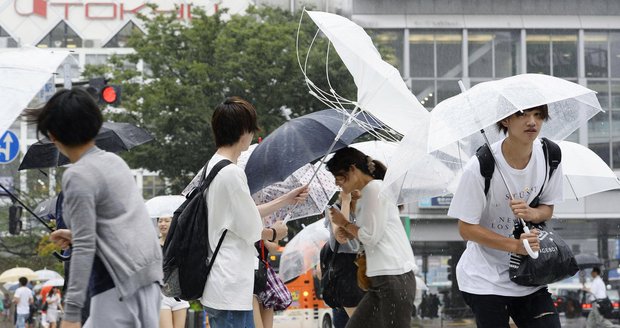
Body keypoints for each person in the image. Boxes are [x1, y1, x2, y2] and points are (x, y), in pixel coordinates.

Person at [26, 88, 163, 328]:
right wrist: (76, 235)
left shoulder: (77, 175)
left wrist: (71, 315)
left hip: (116, 282)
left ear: (53, 135)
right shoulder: (114, 162)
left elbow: (85, 248)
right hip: (147, 276)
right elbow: (120, 223)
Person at [448, 105, 563, 327]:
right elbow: (466, 228)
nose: (532, 122)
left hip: (530, 274)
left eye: (538, 115)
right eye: (523, 114)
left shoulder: (551, 156)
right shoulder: (480, 166)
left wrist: (532, 212)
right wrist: (515, 246)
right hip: (484, 279)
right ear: (505, 121)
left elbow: (547, 207)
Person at [199, 97, 308, 328]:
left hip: (220, 283)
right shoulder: (232, 173)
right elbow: (253, 232)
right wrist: (275, 232)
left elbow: (240, 213)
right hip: (231, 286)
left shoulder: (214, 167)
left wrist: (284, 199)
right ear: (243, 131)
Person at [326, 147, 417, 328]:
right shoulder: (369, 192)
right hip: (384, 278)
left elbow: (370, 237)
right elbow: (372, 235)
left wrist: (344, 223)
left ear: (353, 169)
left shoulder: (374, 189)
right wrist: (349, 227)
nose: (338, 184)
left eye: (340, 178)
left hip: (393, 275)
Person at [323, 190, 365, 328]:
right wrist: (346, 202)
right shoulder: (333, 210)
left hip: (367, 270)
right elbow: (342, 238)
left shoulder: (367, 211)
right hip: (347, 273)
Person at [157, 215, 190, 328]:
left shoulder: (179, 244)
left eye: (167, 221)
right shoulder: (154, 245)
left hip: (179, 295)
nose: (163, 224)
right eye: (160, 221)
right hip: (161, 295)